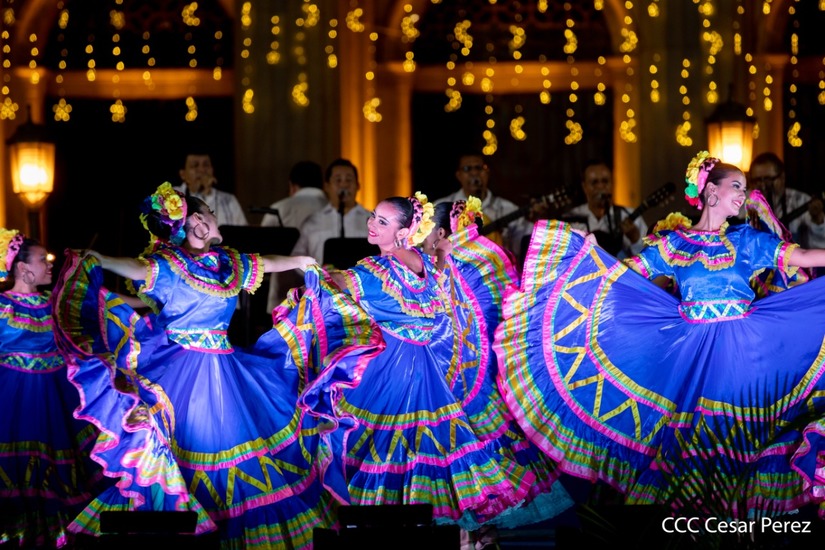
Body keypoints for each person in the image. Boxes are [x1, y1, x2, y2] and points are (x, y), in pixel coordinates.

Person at [51, 182, 382, 548]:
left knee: (249, 447)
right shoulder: (168, 264)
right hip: (182, 374)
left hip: (227, 370)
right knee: (186, 450)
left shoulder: (226, 263)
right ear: (196, 221)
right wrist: (99, 259)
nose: (213, 215)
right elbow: (135, 268)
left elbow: (265, 262)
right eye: (208, 212)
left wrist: (301, 262)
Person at [495, 151, 825, 517]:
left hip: (743, 353)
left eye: (744, 189)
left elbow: (806, 257)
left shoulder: (748, 240)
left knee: (743, 440)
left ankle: (741, 526)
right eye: (736, 186)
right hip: (692, 355)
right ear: (711, 192)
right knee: (692, 447)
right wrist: (590, 256)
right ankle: (695, 527)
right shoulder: (675, 243)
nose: (743, 195)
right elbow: (625, 273)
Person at [322, 194, 572, 536]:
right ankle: (459, 533)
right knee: (426, 444)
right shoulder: (425, 262)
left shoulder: (377, 269)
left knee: (389, 444)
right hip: (426, 369)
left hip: (394, 370)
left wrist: (310, 274)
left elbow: (336, 284)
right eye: (373, 216)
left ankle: (415, 529)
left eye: (382, 221)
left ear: (404, 231)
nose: (371, 224)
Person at [421, 198, 570, 546]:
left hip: (466, 378)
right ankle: (477, 533)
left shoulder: (460, 264)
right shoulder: (477, 260)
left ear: (440, 232)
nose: (416, 239)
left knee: (466, 455)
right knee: (466, 456)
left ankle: (475, 532)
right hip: (471, 375)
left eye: (422, 232)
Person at [0, 229, 101, 548]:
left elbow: (101, 306)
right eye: (43, 259)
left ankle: (57, 530)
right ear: (23, 268)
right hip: (13, 399)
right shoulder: (3, 306)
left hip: (56, 398)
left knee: (58, 463)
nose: (50, 264)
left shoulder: (53, 304)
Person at [435, 152, 533, 261]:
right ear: (458, 175)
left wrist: (537, 218)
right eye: (467, 169)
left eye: (479, 168)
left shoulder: (508, 208)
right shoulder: (441, 207)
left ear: (487, 172)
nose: (474, 173)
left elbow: (529, 243)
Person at [262, 160, 329, 313]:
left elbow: (262, 248)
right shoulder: (331, 208)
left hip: (283, 296)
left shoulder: (279, 208)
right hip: (326, 298)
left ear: (292, 186)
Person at [291, 158, 371, 265]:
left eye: (349, 180)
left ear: (358, 186)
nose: (344, 185)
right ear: (327, 186)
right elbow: (297, 257)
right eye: (338, 180)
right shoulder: (313, 221)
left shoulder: (371, 220)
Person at [564, 159, 647, 258]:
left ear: (612, 183)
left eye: (605, 181)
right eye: (594, 182)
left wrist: (636, 239)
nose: (600, 186)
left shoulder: (629, 216)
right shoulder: (571, 219)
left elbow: (648, 260)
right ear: (584, 186)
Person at [748, 152, 822, 247]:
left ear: (782, 177)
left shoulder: (801, 200)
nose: (763, 186)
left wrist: (818, 222)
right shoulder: (741, 201)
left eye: (769, 179)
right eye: (757, 181)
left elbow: (820, 244)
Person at [175, 149, 248, 227]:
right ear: (182, 174)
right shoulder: (173, 195)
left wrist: (206, 193)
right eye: (195, 165)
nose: (202, 170)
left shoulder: (229, 200)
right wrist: (194, 192)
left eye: (206, 165)